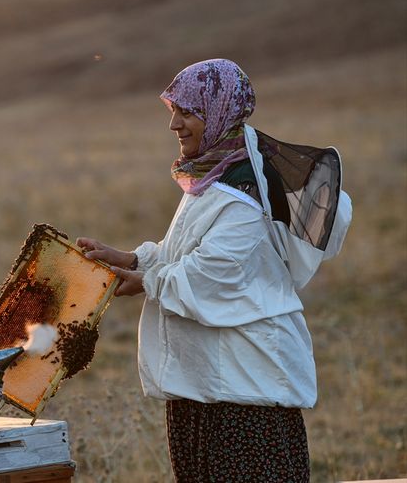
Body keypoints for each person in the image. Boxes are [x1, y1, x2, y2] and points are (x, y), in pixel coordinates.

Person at [77, 59, 351, 482]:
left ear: (219, 112)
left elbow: (213, 272)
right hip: (206, 388)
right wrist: (133, 259)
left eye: (187, 112)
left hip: (244, 398)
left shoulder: (245, 195)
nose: (174, 124)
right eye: (173, 110)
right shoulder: (214, 177)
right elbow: (183, 251)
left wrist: (146, 280)